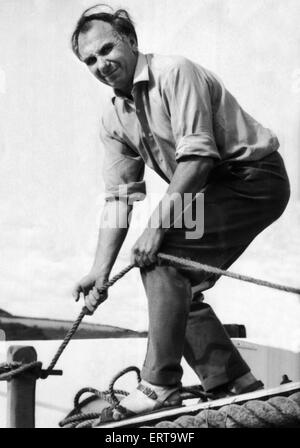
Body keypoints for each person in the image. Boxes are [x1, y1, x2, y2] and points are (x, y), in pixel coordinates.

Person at [71, 5, 290, 420]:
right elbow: (119, 197)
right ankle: (234, 382)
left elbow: (197, 160)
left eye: (106, 49)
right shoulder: (113, 118)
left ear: (130, 41)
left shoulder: (175, 72)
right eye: (90, 61)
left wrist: (156, 228)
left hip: (252, 178)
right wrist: (100, 269)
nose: (101, 64)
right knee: (171, 287)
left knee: (163, 255)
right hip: (205, 188)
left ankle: (159, 384)